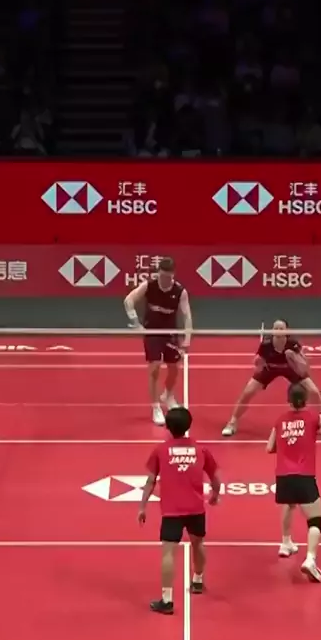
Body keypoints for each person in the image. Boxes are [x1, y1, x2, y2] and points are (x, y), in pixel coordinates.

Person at [139, 406, 221, 615]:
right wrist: (215, 495)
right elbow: (215, 478)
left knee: (168, 552)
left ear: (167, 427)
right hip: (196, 508)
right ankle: (198, 580)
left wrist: (142, 506)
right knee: (198, 543)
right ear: (188, 425)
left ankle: (167, 600)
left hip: (171, 511)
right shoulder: (201, 450)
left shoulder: (160, 451)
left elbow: (150, 481)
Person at [267, 383, 321, 583]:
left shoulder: (280, 420)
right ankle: (310, 560)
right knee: (315, 521)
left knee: (289, 504)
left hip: (283, 476)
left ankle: (285, 543)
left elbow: (270, 447)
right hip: (304, 475)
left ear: (288, 400)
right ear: (305, 400)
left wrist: (289, 444)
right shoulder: (313, 417)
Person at [222, 319, 321, 437]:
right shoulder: (266, 344)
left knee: (314, 392)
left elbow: (304, 366)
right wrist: (258, 362)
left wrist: (294, 357)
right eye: (276, 328)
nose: (278, 331)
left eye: (281, 328)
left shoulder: (293, 344)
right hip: (269, 369)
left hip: (291, 368)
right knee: (247, 392)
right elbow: (257, 363)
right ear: (272, 330)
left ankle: (319, 425)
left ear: (286, 331)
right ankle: (232, 422)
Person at [124, 257, 193, 425]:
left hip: (170, 334)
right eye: (162, 276)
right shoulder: (149, 286)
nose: (164, 280)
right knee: (154, 368)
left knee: (174, 369)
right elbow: (128, 301)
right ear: (158, 273)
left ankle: (167, 395)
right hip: (152, 333)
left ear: (173, 275)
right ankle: (155, 407)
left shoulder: (180, 291)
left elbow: (187, 316)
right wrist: (135, 322)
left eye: (168, 277)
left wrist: (187, 339)